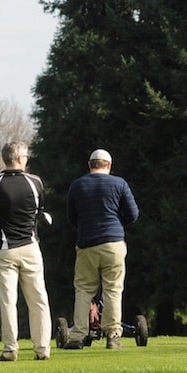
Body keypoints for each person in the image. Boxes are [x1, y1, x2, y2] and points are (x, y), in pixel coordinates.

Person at [0, 141, 52, 361]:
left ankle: (10, 349)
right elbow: (39, 208)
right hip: (30, 248)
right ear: (21, 158)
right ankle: (42, 349)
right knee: (38, 299)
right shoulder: (35, 182)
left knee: (8, 302)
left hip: (4, 251)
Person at [63, 149, 139, 350]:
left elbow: (72, 218)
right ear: (109, 165)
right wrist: (116, 223)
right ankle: (113, 335)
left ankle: (78, 336)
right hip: (113, 243)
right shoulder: (119, 184)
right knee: (113, 289)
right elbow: (133, 214)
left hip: (87, 243)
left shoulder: (77, 185)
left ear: (90, 165)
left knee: (84, 289)